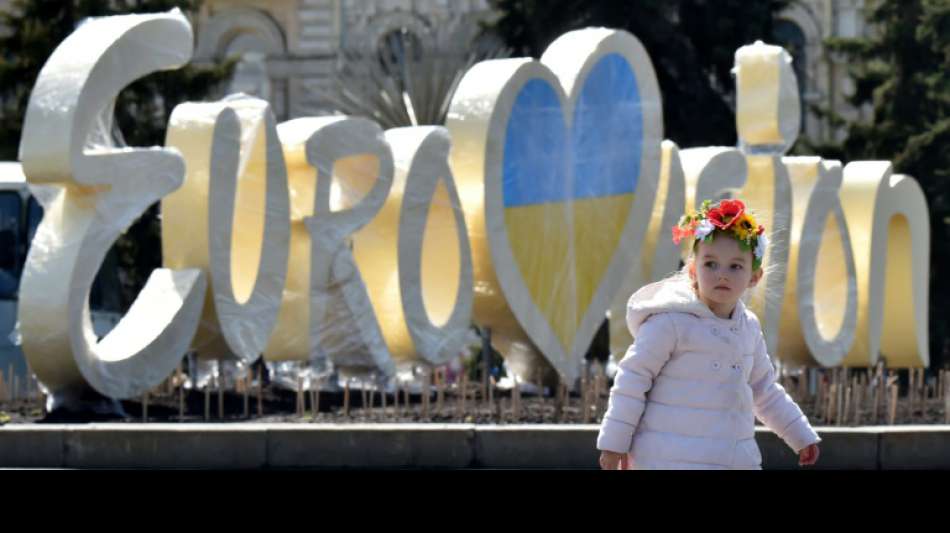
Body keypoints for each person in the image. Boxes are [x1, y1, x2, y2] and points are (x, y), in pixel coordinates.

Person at [597, 198, 820, 470]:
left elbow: (764, 390)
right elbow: (632, 379)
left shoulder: (747, 328)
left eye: (735, 266)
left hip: (732, 458)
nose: (722, 275)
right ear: (693, 270)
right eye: (710, 264)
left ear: (754, 277)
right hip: (665, 459)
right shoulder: (670, 321)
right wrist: (614, 443)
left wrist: (800, 435)